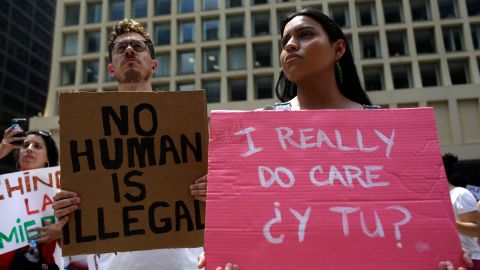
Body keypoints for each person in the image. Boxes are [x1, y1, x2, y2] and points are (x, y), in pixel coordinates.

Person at [198, 8, 470, 270]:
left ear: (338, 49)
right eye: (285, 41)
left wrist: (443, 253)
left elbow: (418, 225)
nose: (291, 45)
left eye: (305, 35)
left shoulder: (387, 132)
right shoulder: (252, 134)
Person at [52, 18, 225, 270]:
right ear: (111, 69)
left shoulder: (185, 125)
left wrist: (216, 192)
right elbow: (74, 248)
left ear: (154, 65)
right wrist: (68, 207)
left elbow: (224, 206)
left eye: (137, 46)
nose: (129, 50)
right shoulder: (88, 131)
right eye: (120, 49)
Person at [0, 127, 64, 269]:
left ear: (47, 159)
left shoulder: (59, 194)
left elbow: (76, 241)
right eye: (25, 145)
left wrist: (61, 232)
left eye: (37, 146)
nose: (29, 149)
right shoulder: (2, 188)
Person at [443, 153, 480, 270]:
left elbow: (476, 230)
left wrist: (447, 222)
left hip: (470, 260)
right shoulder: (432, 199)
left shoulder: (460, 194)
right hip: (447, 262)